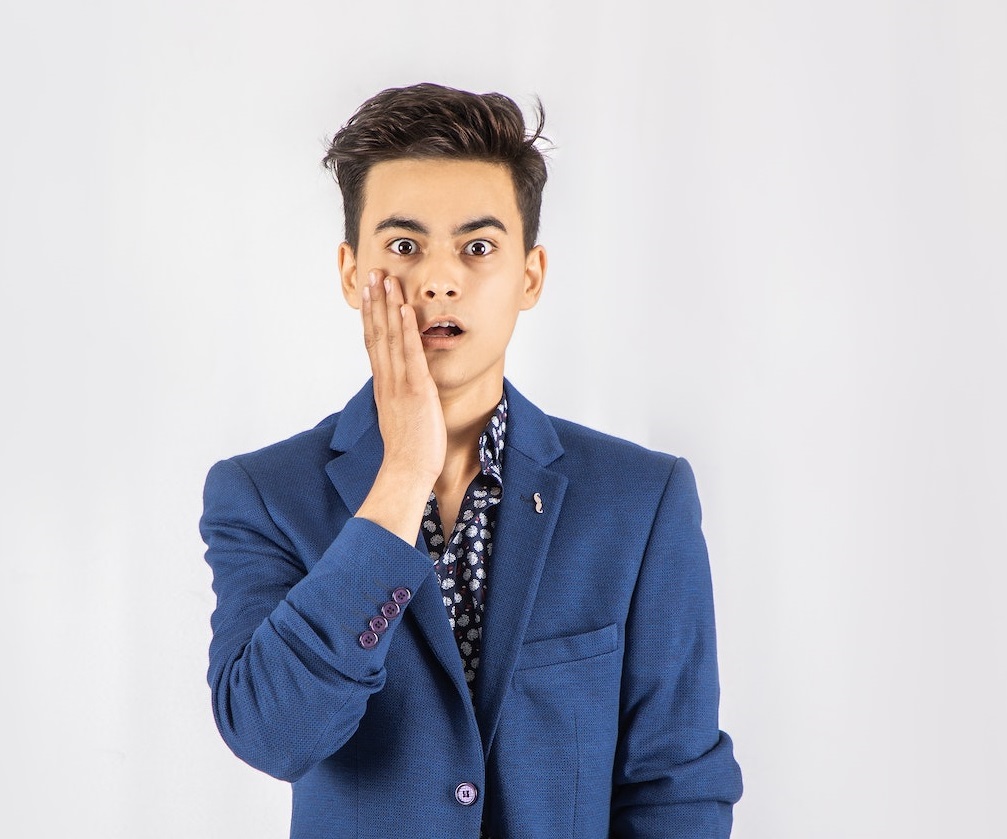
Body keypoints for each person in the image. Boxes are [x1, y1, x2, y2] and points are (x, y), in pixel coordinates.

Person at [199, 82, 742, 839]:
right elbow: (270, 734)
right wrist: (399, 482)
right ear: (352, 272)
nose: (439, 278)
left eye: (477, 247)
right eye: (403, 246)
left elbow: (675, 783)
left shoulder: (640, 499)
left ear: (530, 274)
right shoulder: (263, 494)